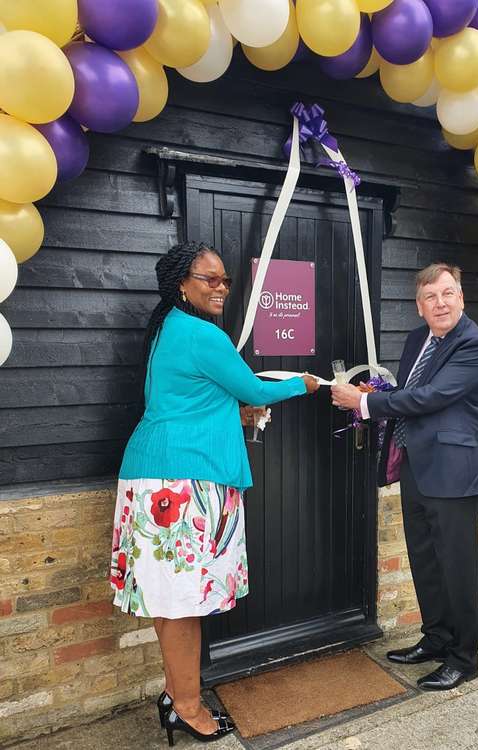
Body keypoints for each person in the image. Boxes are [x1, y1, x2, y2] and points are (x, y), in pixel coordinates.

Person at [110, 241, 319, 745]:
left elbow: (193, 399)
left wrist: (234, 414)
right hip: (186, 481)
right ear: (182, 283)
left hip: (153, 475)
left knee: (167, 597)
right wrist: (305, 382)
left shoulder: (166, 330)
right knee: (183, 602)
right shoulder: (203, 334)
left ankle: (175, 693)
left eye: (225, 279)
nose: (222, 287)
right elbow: (257, 389)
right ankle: (187, 705)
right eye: (211, 279)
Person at [331, 264, 478, 691]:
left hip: (455, 474)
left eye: (448, 294)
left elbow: (432, 396)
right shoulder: (417, 339)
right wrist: (374, 396)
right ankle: (438, 638)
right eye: (430, 297)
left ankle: (464, 657)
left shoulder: (476, 343)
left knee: (457, 567)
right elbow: (406, 394)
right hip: (417, 466)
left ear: (462, 297)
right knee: (425, 560)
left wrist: (363, 407)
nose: (440, 303)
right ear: (419, 306)